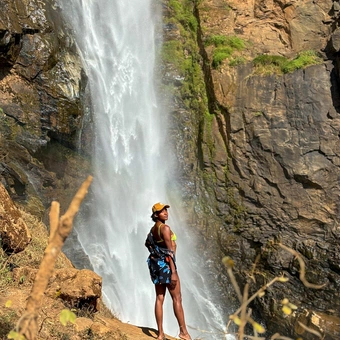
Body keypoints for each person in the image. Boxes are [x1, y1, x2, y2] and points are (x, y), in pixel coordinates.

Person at [145, 202, 192, 340]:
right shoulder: (165, 228)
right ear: (155, 214)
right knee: (177, 298)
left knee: (160, 298)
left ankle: (160, 334)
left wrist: (156, 254)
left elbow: (147, 243)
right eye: (161, 211)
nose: (165, 212)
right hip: (167, 267)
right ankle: (184, 333)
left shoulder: (152, 230)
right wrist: (173, 272)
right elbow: (170, 252)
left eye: (166, 210)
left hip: (156, 266)